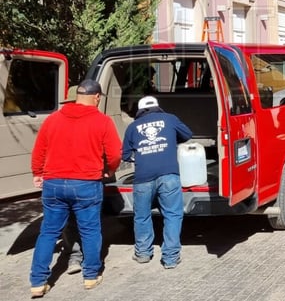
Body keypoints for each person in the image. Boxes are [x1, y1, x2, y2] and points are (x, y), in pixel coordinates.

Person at [29, 79, 122, 297]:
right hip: (86, 183)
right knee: (90, 231)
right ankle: (90, 276)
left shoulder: (52, 120)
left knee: (48, 232)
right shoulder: (103, 121)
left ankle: (37, 282)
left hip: (53, 184)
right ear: (97, 97)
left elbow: (39, 150)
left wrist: (37, 173)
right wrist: (109, 169)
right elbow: (116, 153)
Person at [123, 96, 193, 269]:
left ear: (139, 110)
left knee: (142, 215)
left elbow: (125, 155)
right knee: (172, 214)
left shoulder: (132, 127)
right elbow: (187, 134)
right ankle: (170, 258)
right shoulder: (170, 118)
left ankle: (143, 254)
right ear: (157, 107)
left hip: (142, 178)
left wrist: (141, 156)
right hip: (169, 174)